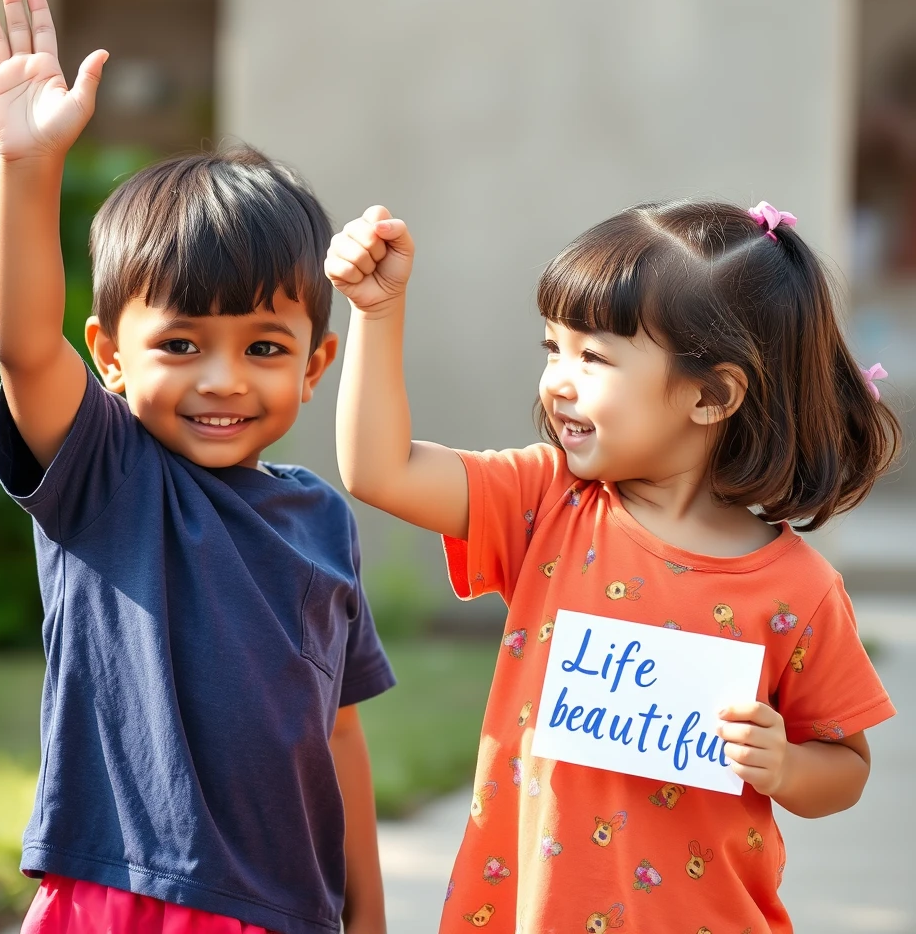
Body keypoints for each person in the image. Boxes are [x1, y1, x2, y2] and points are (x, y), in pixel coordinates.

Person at [324, 199, 901, 933]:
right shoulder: (546, 503)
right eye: (552, 348)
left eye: (592, 357)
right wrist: (377, 315)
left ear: (711, 394)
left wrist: (786, 766)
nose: (558, 381)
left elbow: (845, 768)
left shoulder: (799, 590)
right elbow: (380, 470)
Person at [0, 0, 395, 934]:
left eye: (265, 348)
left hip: (287, 908)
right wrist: (26, 164)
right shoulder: (105, 475)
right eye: (181, 344)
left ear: (316, 365)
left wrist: (365, 915)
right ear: (110, 357)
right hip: (128, 896)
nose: (224, 380)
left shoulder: (322, 520)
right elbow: (24, 345)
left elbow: (340, 733)